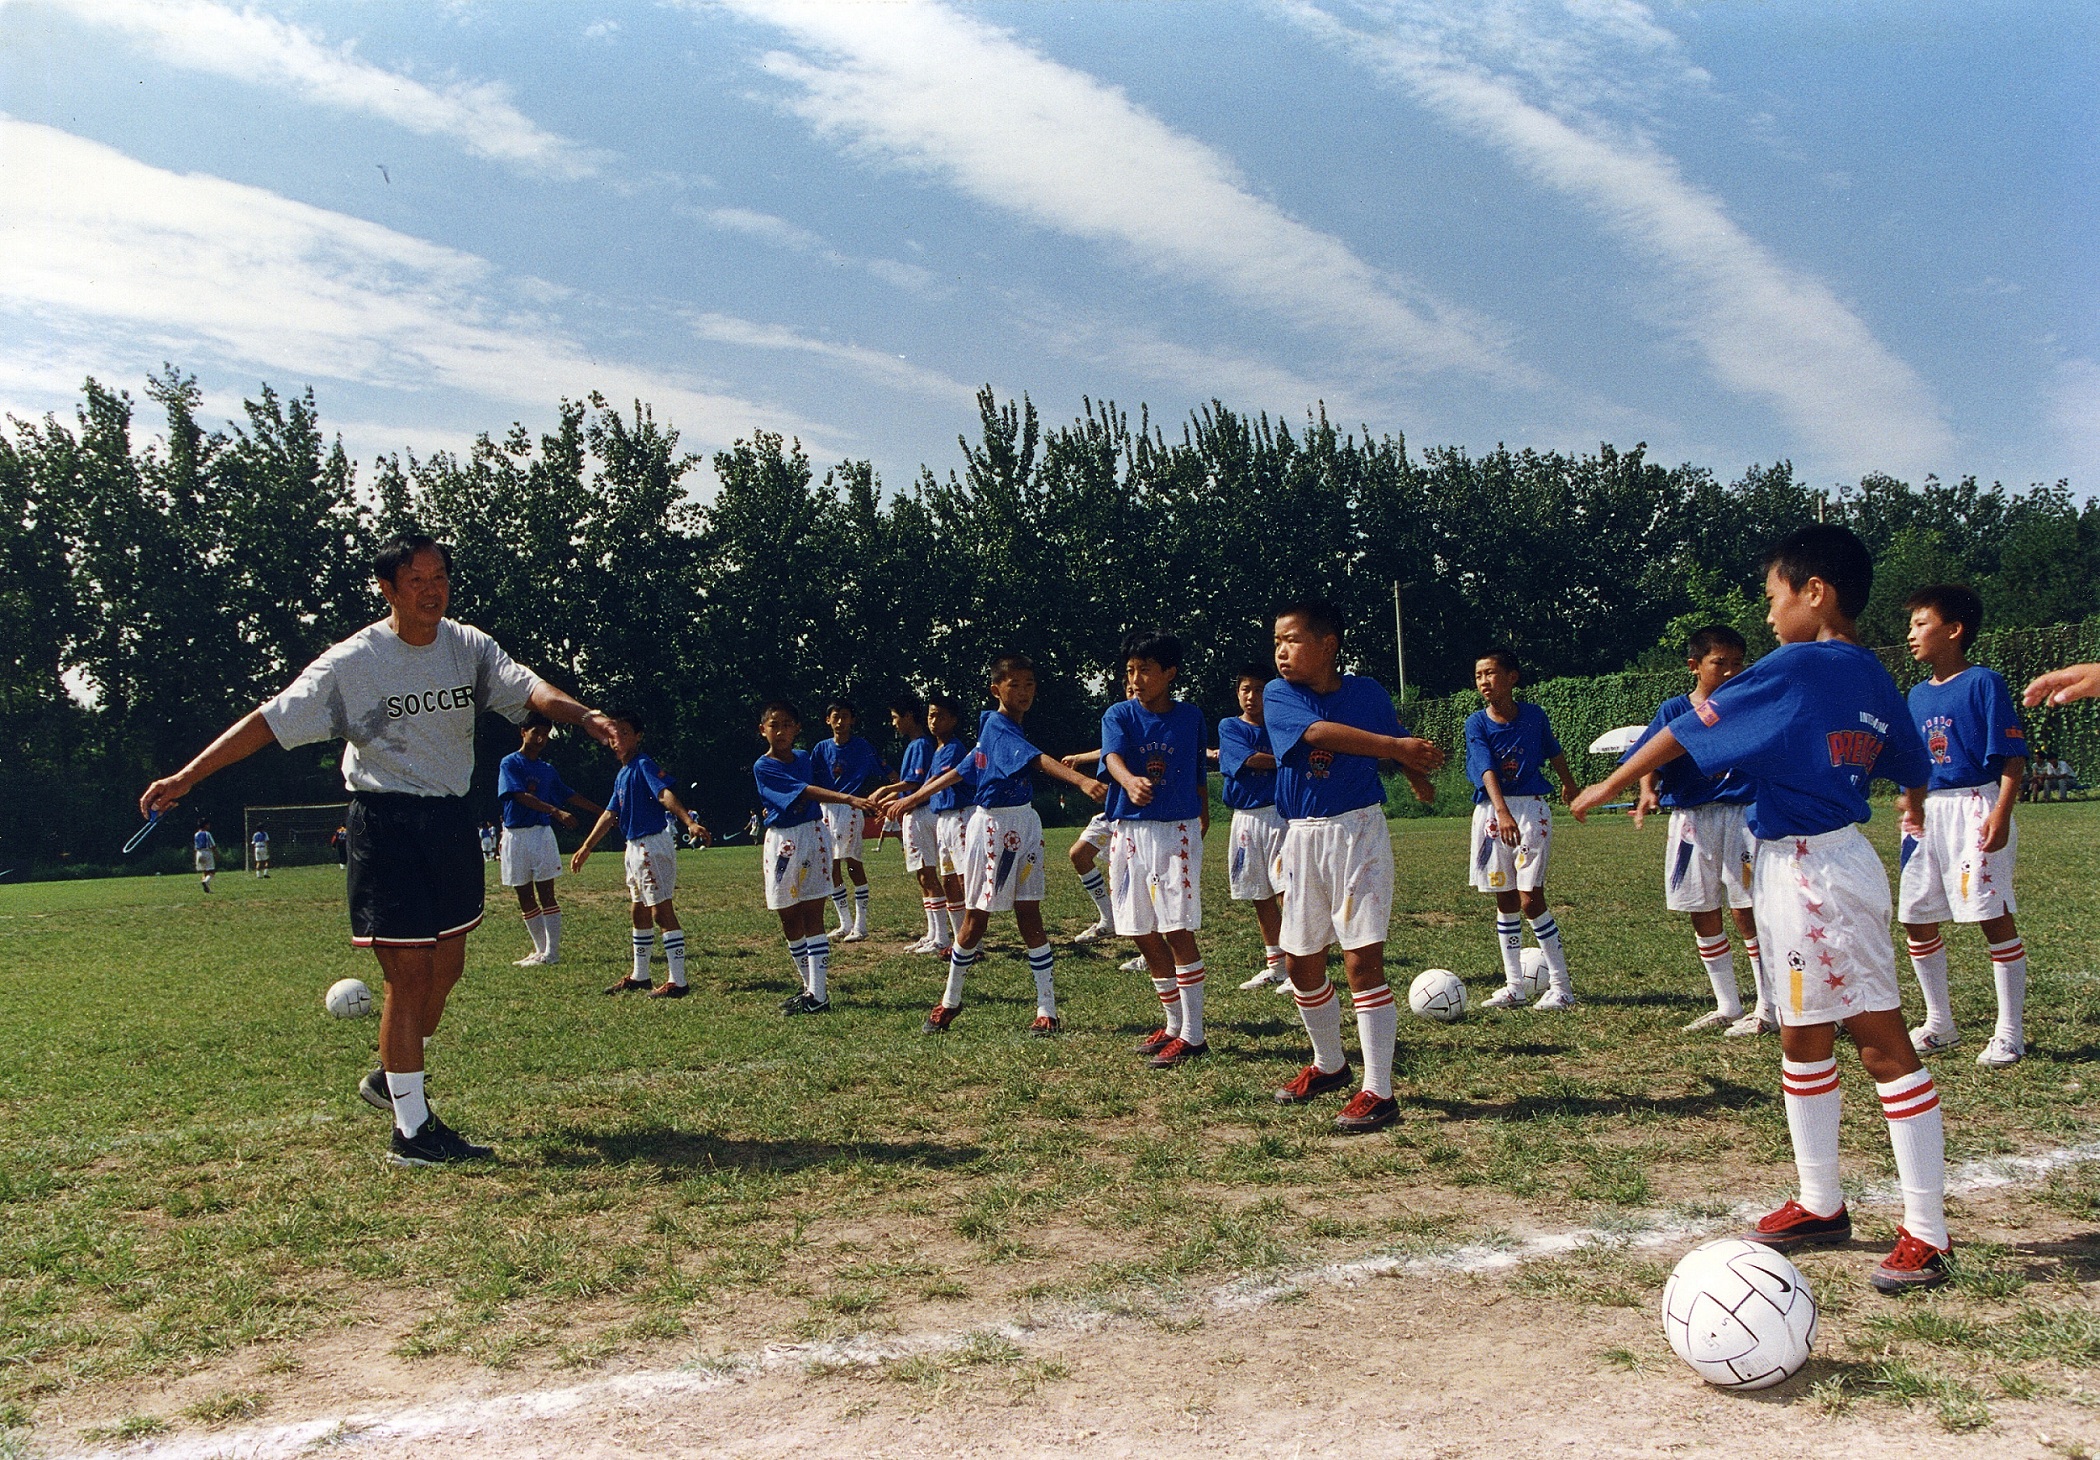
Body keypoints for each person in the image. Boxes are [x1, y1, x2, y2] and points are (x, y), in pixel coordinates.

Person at [138, 532, 616, 1167]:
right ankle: (412, 1134)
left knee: (445, 971)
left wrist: (582, 715)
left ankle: (390, 1078)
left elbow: (527, 688)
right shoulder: (352, 663)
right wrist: (187, 776)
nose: (432, 591)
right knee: (409, 975)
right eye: (416, 581)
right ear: (388, 589)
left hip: (448, 821)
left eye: (440, 577)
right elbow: (268, 722)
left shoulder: (466, 646)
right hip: (387, 823)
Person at [1572, 524, 1947, 1293]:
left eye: (1774, 597)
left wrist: (1613, 783)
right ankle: (1820, 1203)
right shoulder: (1872, 674)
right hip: (1805, 864)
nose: (1769, 616)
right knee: (1803, 1034)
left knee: (1877, 1036)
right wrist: (1904, 809)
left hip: (1816, 872)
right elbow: (1913, 764)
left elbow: (1687, 726)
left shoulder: (1801, 663)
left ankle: (1929, 1233)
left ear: (1816, 593)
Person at [1265, 600, 1443, 1133]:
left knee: (1361, 962)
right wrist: (1396, 746)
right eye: (1277, 640)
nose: (1280, 651)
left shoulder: (1366, 694)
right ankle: (1329, 1064)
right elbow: (1319, 737)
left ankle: (1379, 1091)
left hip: (1358, 831)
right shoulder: (1280, 696)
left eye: (1292, 639)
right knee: (1300, 965)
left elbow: (1395, 745)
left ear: (1327, 644)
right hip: (1301, 837)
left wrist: (1417, 772)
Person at [891, 654, 1109, 1036]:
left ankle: (1048, 1010)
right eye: (1014, 685)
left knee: (1030, 914)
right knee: (977, 919)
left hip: (1024, 820)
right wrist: (1081, 781)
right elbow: (1037, 760)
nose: (1024, 692)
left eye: (1030, 685)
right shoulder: (996, 723)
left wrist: (915, 796)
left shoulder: (999, 729)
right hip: (993, 827)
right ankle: (949, 1003)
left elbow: (964, 768)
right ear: (996, 689)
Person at [1897, 585, 2030, 1069]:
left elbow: (2012, 756)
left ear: (1953, 630)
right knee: (1915, 912)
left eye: (1920, 623)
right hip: (1929, 812)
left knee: (1989, 914)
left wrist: (2001, 812)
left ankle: (2009, 1032)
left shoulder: (1984, 682)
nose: (1910, 634)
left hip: (1976, 805)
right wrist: (1909, 800)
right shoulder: (1914, 694)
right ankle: (1940, 1023)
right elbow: (1917, 758)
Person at [1626, 626, 1774, 1036]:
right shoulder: (1675, 711)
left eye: (1737, 664)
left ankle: (1768, 1006)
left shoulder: (1746, 705)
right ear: (1695, 666)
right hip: (1691, 819)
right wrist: (1646, 791)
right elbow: (1648, 757)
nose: (1729, 672)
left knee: (1747, 909)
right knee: (1700, 907)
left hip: (1740, 816)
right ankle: (1727, 1003)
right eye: (1718, 663)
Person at [1102, 630, 1213, 1069]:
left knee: (1177, 928)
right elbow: (1112, 758)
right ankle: (1172, 1024)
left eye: (1145, 670)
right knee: (1138, 928)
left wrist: (1200, 813)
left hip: (1175, 831)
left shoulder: (1189, 717)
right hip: (1130, 831)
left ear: (1169, 674)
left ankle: (1194, 1034)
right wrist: (1128, 781)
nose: (1135, 678)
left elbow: (1199, 773)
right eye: (1130, 670)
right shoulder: (1119, 714)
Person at [1467, 650, 1582, 1011]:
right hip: (1492, 810)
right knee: (1505, 898)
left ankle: (1562, 986)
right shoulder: (1477, 723)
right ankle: (1514, 986)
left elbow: (1553, 751)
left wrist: (1569, 785)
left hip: (1530, 808)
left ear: (1512, 677)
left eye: (1491, 673)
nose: (1484, 682)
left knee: (1531, 898)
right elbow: (1485, 767)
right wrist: (1500, 811)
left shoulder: (1533, 716)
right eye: (1479, 676)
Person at [754, 700, 881, 1014]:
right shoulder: (763, 766)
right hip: (782, 842)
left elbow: (832, 776)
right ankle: (811, 988)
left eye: (787, 725)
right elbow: (805, 790)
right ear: (763, 730)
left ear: (798, 729)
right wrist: (849, 797)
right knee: (788, 915)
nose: (781, 731)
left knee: (813, 913)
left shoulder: (804, 757)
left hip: (813, 834)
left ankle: (818, 994)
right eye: (774, 725)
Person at [572, 710, 707, 1000]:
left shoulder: (643, 764)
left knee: (661, 910)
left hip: (651, 844)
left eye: (624, 733)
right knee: (639, 909)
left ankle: (678, 981)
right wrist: (586, 847)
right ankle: (640, 975)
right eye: (613, 734)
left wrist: (689, 822)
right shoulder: (623, 773)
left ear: (637, 737)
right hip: (633, 847)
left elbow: (664, 794)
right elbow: (610, 814)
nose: (617, 739)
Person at [497, 711, 603, 967]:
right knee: (524, 895)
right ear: (523, 732)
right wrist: (555, 811)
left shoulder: (547, 770)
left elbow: (568, 794)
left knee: (546, 893)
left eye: (546, 734)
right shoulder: (510, 763)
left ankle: (552, 953)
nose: (542, 738)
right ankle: (539, 950)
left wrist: (602, 812)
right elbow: (519, 795)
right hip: (515, 835)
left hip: (540, 834)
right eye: (537, 732)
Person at [1218, 662, 1289, 993]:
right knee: (1258, 893)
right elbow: (1247, 759)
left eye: (1259, 690)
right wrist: (1286, 758)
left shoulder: (1281, 725)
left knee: (1287, 890)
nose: (1252, 696)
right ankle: (1276, 965)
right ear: (1238, 693)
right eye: (1246, 689)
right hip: (1245, 819)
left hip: (1280, 815)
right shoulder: (1230, 727)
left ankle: (1299, 965)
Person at [874, 694, 949, 954]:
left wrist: (885, 789)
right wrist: (890, 800)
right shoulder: (915, 745)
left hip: (921, 813)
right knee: (922, 874)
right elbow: (908, 786)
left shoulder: (919, 745)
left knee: (928, 873)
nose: (893, 723)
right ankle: (933, 932)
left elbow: (915, 785)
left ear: (908, 716)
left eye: (896, 717)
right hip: (914, 813)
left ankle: (941, 936)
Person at [813, 701, 886, 942]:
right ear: (828, 720)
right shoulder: (821, 749)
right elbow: (806, 780)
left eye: (845, 717)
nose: (840, 721)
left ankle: (861, 924)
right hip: (826, 810)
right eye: (836, 716)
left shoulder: (862, 747)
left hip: (850, 809)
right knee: (830, 866)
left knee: (853, 864)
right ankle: (845, 922)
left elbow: (886, 772)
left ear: (852, 720)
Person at [922, 694, 975, 958]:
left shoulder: (954, 748)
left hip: (960, 816)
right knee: (949, 878)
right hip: (943, 819)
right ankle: (958, 940)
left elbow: (938, 781)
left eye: (940, 716)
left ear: (953, 720)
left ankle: (973, 943)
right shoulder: (938, 750)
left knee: (965, 878)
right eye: (931, 715)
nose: (934, 721)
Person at [193, 819, 217, 892]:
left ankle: (207, 889)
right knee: (212, 871)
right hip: (206, 852)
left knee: (205, 872)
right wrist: (216, 853)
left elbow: (195, 846)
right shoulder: (207, 833)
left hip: (199, 853)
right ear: (205, 825)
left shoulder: (196, 834)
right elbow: (213, 845)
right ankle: (205, 882)